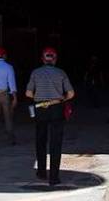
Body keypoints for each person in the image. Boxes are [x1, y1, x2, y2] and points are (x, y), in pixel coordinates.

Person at [25, 47, 75, 185]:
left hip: (40, 108)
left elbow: (28, 93)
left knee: (40, 141)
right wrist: (61, 99)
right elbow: (71, 93)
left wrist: (39, 98)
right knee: (55, 143)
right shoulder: (61, 73)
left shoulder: (35, 73)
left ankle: (41, 172)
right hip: (56, 108)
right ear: (55, 59)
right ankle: (54, 177)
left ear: (42, 59)